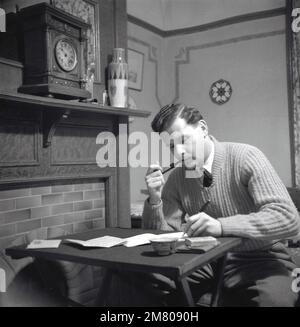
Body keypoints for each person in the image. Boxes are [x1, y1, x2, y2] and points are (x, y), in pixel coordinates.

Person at [141, 103, 300, 307]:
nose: (179, 151)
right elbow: (164, 240)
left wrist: (222, 226)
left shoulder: (246, 157)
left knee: (275, 301)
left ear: (203, 129)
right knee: (140, 280)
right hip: (203, 258)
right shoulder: (176, 179)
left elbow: (288, 218)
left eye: (184, 140)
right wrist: (155, 200)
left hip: (259, 257)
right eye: (172, 146)